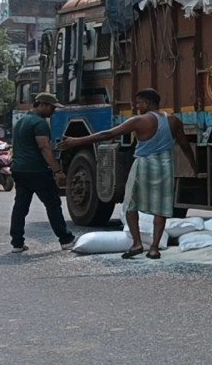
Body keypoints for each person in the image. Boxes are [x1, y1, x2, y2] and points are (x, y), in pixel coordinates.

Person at [59, 88, 197, 260]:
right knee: (160, 208)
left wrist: (76, 141)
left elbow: (107, 134)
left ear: (147, 103)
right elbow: (184, 144)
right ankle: (154, 248)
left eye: (138, 103)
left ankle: (137, 243)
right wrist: (193, 165)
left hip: (143, 165)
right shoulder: (174, 121)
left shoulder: (139, 121)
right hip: (165, 166)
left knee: (131, 205)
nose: (136, 106)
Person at [9, 94, 76, 254]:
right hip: (36, 170)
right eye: (52, 107)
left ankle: (17, 243)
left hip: (19, 169)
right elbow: (44, 148)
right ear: (43, 105)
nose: (53, 111)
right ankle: (65, 239)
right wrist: (58, 171)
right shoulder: (39, 123)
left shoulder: (21, 122)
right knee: (53, 204)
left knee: (20, 207)